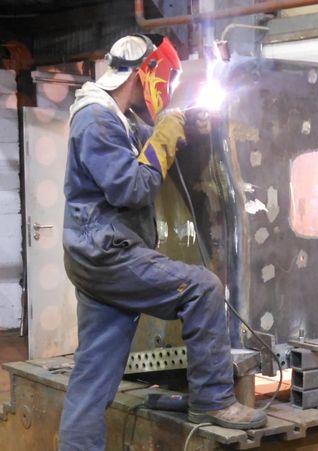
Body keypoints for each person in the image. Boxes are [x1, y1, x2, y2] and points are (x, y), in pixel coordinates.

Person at [59, 34, 266, 451]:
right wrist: (166, 134)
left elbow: (140, 144)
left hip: (95, 255)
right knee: (203, 288)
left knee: (93, 377)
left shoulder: (114, 117)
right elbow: (131, 188)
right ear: (144, 75)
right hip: (107, 255)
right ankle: (212, 400)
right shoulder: (96, 119)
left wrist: (179, 125)